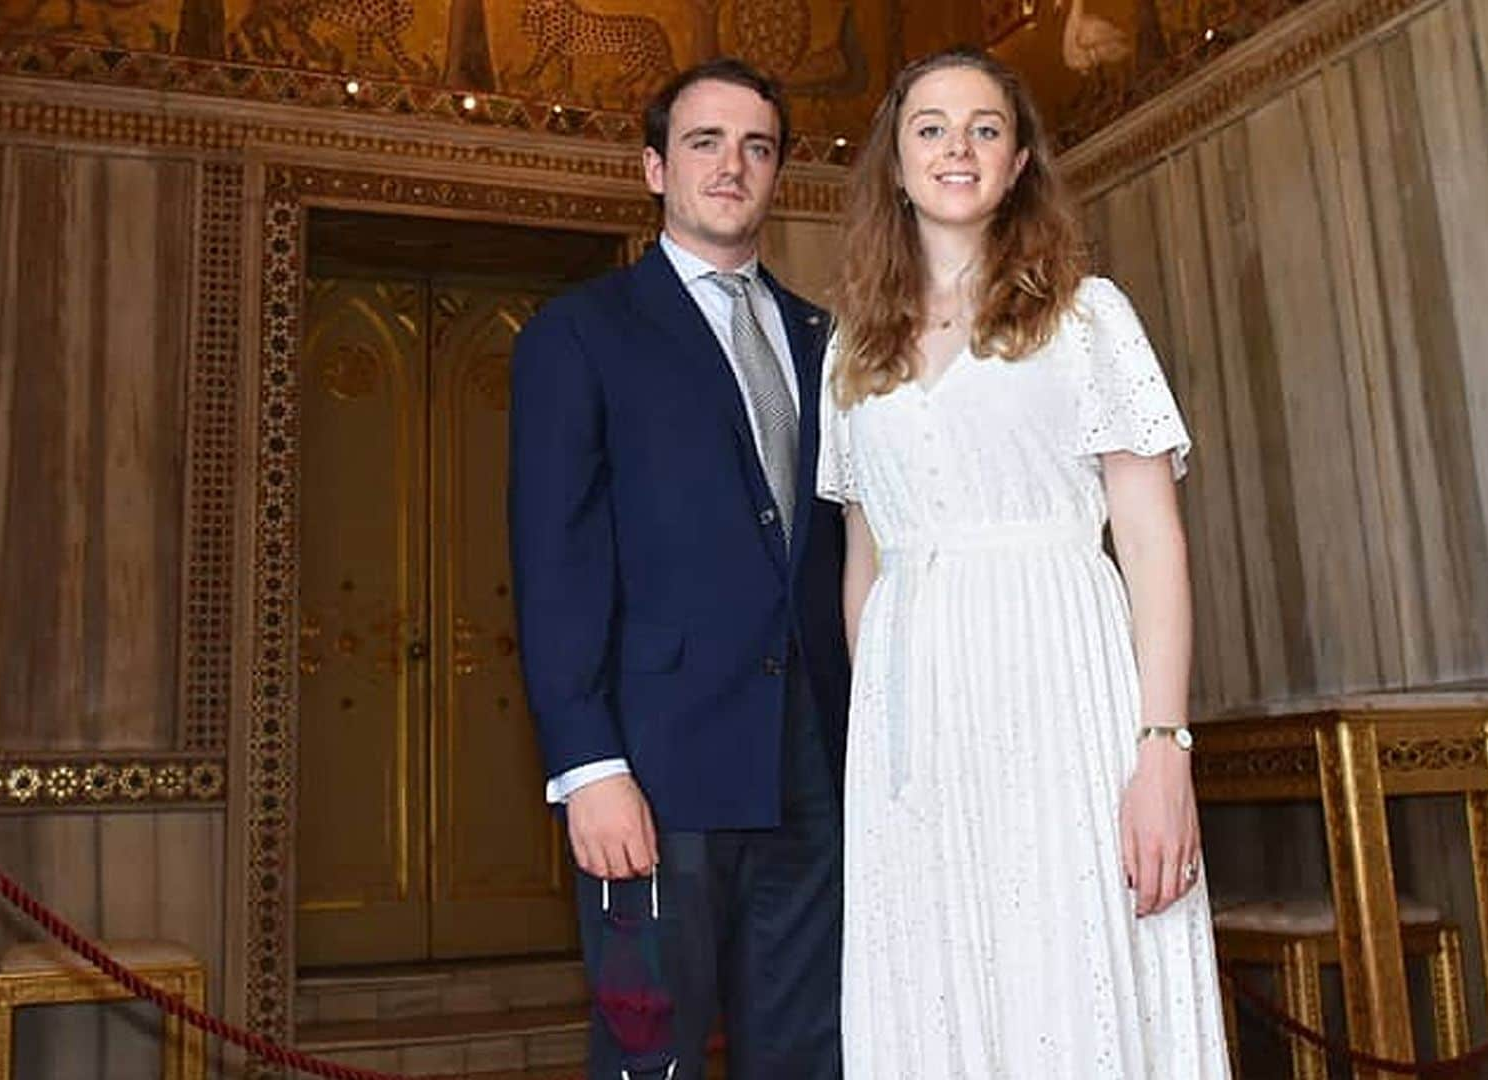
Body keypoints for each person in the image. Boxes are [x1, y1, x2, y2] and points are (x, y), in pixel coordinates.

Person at [818, 47, 1232, 1077]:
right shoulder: (850, 351)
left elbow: (1151, 541)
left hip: (1064, 689)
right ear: (895, 162)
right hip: (917, 723)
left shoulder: (1091, 319)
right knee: (936, 986)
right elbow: (863, 564)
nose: (957, 147)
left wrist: (1163, 749)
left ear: (1017, 164)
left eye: (984, 128)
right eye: (931, 128)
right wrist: (885, 742)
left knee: (1073, 958)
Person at [509, 57, 849, 1080]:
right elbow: (552, 554)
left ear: (778, 172)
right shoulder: (581, 332)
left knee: (805, 1055)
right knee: (645, 1056)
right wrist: (590, 767)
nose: (731, 166)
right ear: (656, 167)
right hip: (651, 775)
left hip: (814, 774)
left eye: (756, 147)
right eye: (704, 142)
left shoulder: (825, 339)